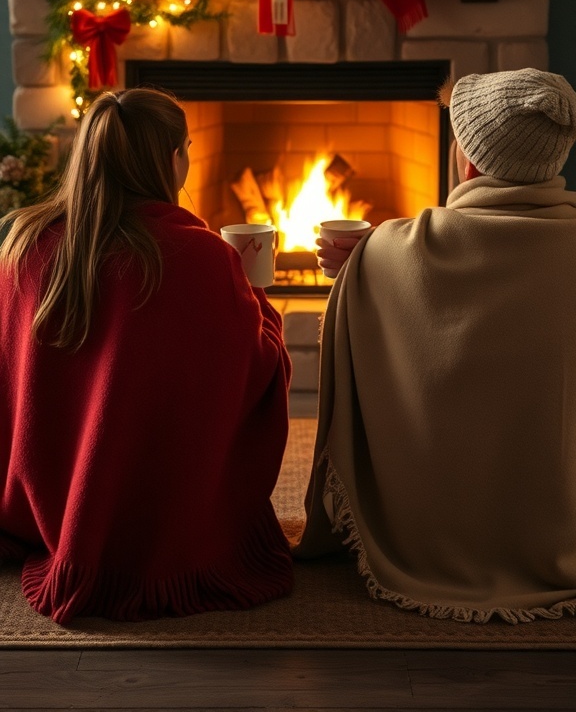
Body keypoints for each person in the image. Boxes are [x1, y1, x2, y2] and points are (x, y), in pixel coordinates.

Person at [0, 87, 293, 625]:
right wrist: (258, 308)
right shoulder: (201, 258)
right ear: (171, 159)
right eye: (186, 148)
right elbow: (253, 372)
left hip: (47, 503)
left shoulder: (23, 242)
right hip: (168, 529)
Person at [295, 67, 576, 624]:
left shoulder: (394, 249)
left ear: (467, 161)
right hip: (556, 528)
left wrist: (360, 263)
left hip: (427, 540)